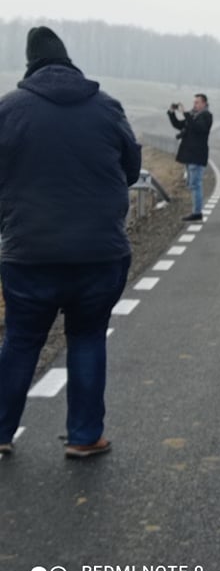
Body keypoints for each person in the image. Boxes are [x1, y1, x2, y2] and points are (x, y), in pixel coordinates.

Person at [0, 26, 141, 458]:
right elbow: (131, 168)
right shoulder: (107, 106)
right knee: (87, 336)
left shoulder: (9, 109)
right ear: (68, 61)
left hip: (29, 251)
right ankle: (84, 436)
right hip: (99, 252)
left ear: (31, 64)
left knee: (21, 340)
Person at [167, 93, 212, 222]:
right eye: (194, 102)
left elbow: (198, 128)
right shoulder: (193, 115)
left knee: (195, 184)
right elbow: (179, 125)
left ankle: (197, 213)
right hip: (189, 155)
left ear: (204, 103)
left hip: (197, 155)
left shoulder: (206, 116)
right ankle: (196, 211)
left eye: (197, 102)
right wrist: (171, 113)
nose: (194, 105)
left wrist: (185, 113)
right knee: (192, 184)